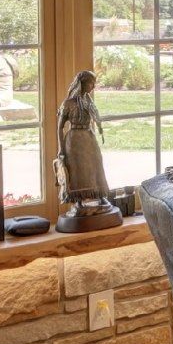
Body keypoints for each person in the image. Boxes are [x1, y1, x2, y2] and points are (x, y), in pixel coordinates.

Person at [55, 71, 118, 229]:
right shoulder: (68, 103)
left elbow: (94, 117)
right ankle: (79, 200)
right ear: (82, 83)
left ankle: (101, 195)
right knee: (77, 169)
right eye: (90, 83)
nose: (93, 86)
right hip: (74, 139)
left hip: (88, 136)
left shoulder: (88, 101)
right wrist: (61, 148)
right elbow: (60, 127)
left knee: (96, 165)